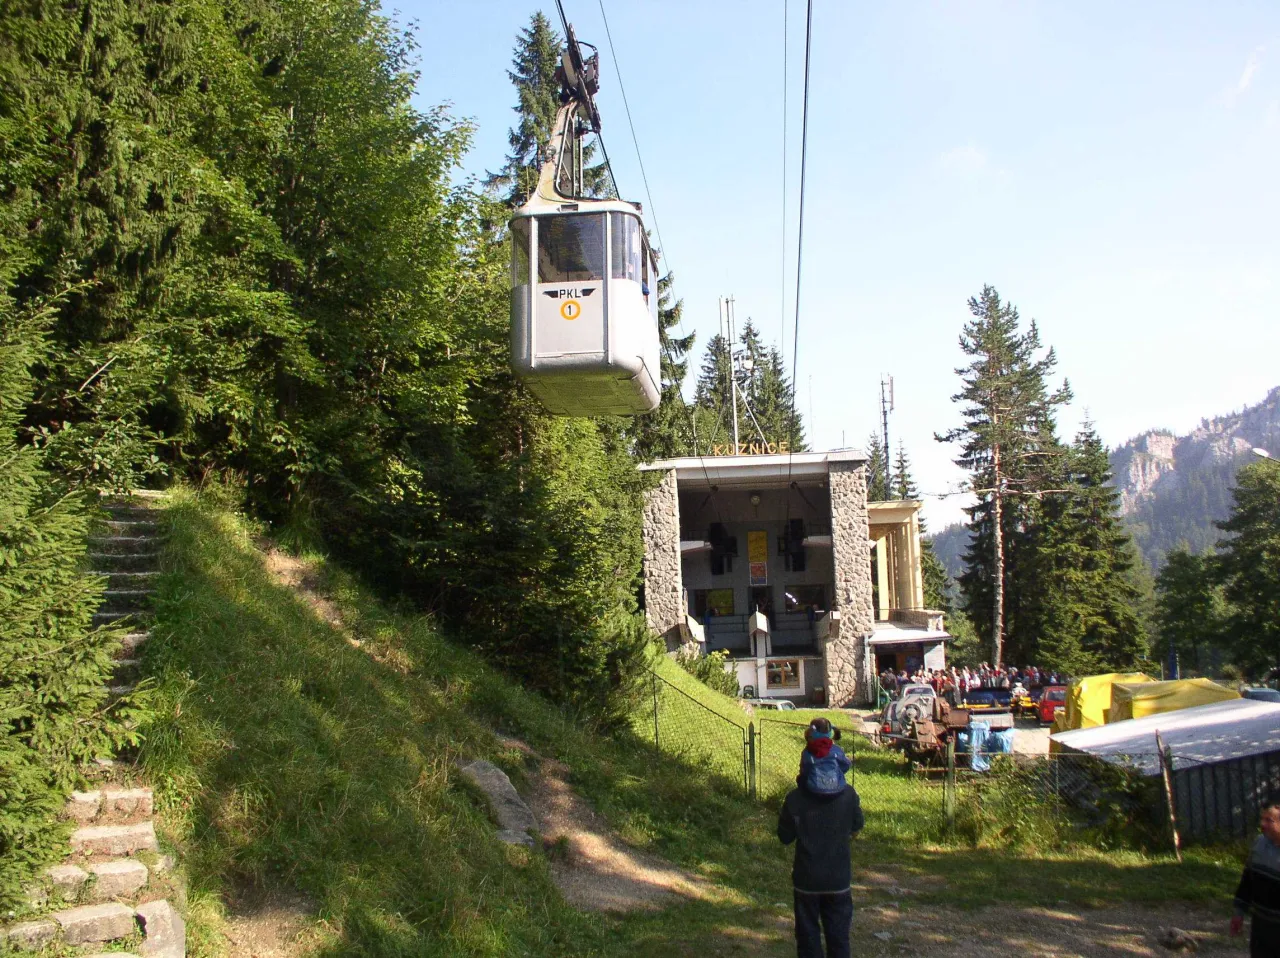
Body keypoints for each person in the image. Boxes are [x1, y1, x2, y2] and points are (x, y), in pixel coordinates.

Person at [778, 748, 865, 958]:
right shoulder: (849, 795)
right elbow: (857, 826)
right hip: (839, 878)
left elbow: (785, 837)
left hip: (806, 879)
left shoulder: (795, 798)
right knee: (839, 939)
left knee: (808, 939)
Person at [1231, 801, 1280, 957]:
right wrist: (1239, 912)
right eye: (1262, 819)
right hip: (1260, 924)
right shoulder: (1259, 844)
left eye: (1269, 820)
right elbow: (1247, 881)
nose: (1262, 824)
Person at [797, 718, 851, 796]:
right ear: (830, 733)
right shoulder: (836, 750)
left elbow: (804, 771)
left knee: (800, 779)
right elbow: (846, 765)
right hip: (837, 789)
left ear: (812, 733)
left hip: (814, 790)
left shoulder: (808, 752)